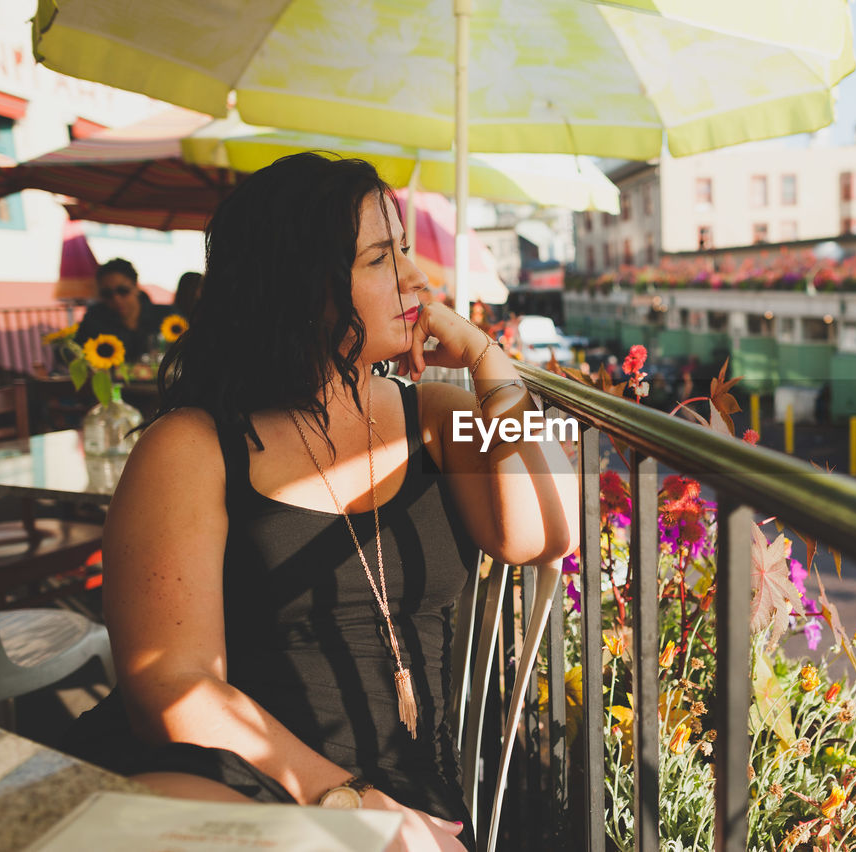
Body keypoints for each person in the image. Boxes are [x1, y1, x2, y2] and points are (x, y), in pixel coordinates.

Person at [62, 153, 579, 852]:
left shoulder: (435, 414)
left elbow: (547, 532)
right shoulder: (192, 447)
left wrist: (492, 363)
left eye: (403, 247)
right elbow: (171, 685)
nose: (415, 277)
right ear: (303, 287)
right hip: (248, 777)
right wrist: (348, 800)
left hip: (408, 797)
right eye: (377, 259)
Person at [74, 258, 173, 362]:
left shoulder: (167, 316)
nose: (116, 299)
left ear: (136, 287)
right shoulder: (94, 319)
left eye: (123, 291)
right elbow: (74, 352)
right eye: (107, 294)